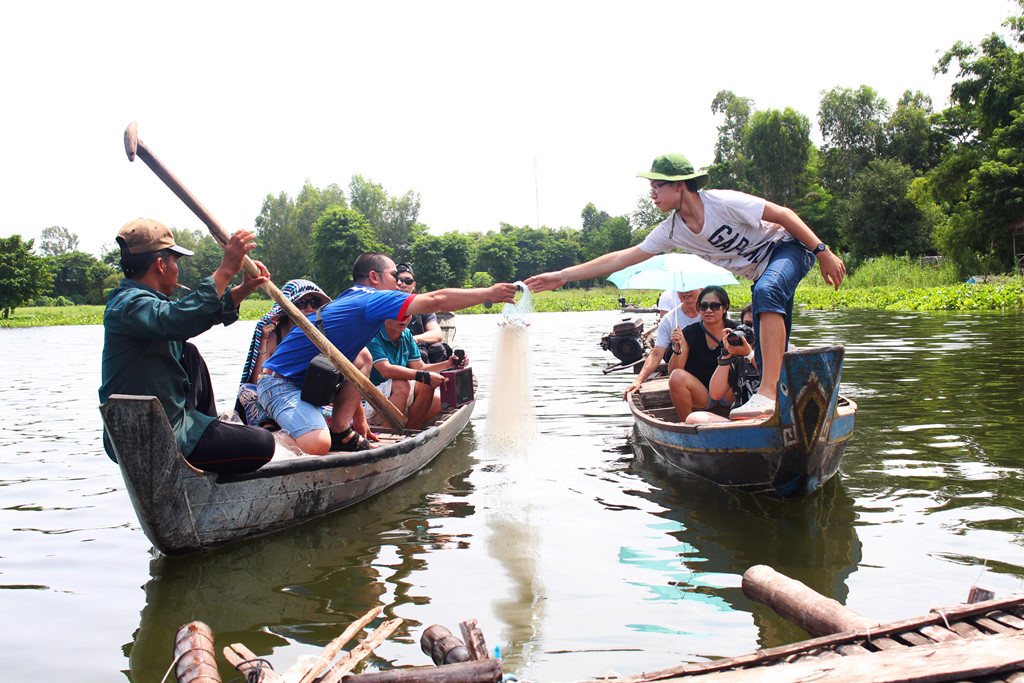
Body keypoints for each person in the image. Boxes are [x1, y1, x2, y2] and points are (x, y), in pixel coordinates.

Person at [526, 152, 845, 420]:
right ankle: (778, 403)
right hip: (763, 274)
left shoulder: (722, 202)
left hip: (789, 249)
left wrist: (823, 252)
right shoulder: (672, 230)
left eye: (657, 186)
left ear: (679, 185)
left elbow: (785, 215)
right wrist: (563, 276)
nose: (651, 194)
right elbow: (624, 257)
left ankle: (768, 393)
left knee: (765, 294)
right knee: (763, 347)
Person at [257, 253, 516, 456]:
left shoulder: (351, 296)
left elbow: (353, 367)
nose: (399, 283)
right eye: (394, 276)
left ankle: (339, 430)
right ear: (374, 277)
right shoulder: (372, 299)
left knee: (363, 358)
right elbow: (436, 300)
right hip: (279, 384)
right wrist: (488, 293)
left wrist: (356, 421)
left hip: (304, 385)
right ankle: (257, 441)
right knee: (317, 444)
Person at [99, 218, 275, 474]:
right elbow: (178, 319)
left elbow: (192, 315)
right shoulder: (129, 305)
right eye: (175, 262)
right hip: (151, 434)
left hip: (168, 421)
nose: (176, 269)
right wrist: (225, 270)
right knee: (263, 443)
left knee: (188, 353)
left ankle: (208, 428)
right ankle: (203, 442)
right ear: (160, 265)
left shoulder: (144, 304)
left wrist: (244, 289)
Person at [236, 279, 333, 427]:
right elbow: (257, 382)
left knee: (336, 413)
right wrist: (263, 341)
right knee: (247, 391)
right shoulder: (273, 335)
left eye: (314, 303)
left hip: (307, 400)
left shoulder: (322, 335)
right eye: (301, 303)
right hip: (275, 398)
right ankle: (276, 424)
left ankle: (281, 425)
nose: (309, 308)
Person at [648, 286, 737, 421]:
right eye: (703, 306)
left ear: (725, 307)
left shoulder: (736, 331)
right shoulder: (689, 332)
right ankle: (687, 425)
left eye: (714, 306)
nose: (708, 310)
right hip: (701, 393)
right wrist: (678, 346)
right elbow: (673, 371)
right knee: (677, 377)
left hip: (729, 391)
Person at [363, 316, 468, 430]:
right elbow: (385, 370)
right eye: (398, 315)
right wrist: (423, 376)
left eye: (407, 315)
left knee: (433, 392)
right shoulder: (372, 335)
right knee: (403, 385)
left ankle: (410, 431)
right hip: (369, 399)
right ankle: (389, 434)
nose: (403, 319)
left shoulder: (406, 334)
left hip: (395, 395)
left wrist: (448, 364)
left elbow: (421, 367)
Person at [686, 304, 760, 424]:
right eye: (748, 325)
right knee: (694, 418)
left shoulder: (780, 350)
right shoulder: (737, 356)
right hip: (740, 421)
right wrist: (726, 354)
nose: (752, 330)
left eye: (757, 325)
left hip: (770, 417)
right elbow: (716, 393)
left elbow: (774, 376)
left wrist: (750, 354)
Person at [396, 262, 451, 363]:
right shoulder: (385, 306)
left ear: (413, 285)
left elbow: (437, 334)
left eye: (408, 281)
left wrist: (415, 339)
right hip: (396, 352)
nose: (403, 284)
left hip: (418, 351)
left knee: (437, 348)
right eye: (399, 280)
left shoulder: (423, 307)